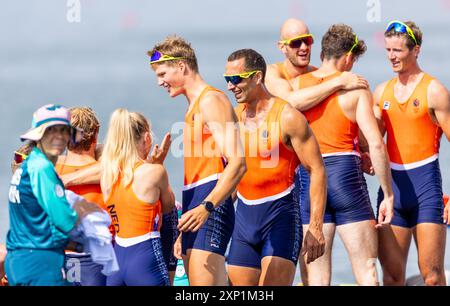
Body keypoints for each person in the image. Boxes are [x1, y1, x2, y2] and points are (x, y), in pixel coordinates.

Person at [296, 24, 394, 286]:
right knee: (367, 272)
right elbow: (375, 144)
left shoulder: (297, 87)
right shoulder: (356, 89)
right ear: (348, 58)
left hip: (309, 182)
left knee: (316, 278)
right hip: (346, 178)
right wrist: (388, 193)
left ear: (323, 53)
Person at [148, 35, 247, 285]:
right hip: (197, 207)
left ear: (181, 67)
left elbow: (238, 164)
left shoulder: (211, 100)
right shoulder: (193, 107)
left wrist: (208, 208)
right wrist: (185, 227)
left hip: (208, 207)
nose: (159, 82)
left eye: (162, 74)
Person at [224, 49, 326, 286]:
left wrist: (316, 227)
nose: (230, 86)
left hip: (280, 219)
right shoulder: (234, 118)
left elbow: (317, 169)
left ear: (257, 77)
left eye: (236, 79)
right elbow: (231, 176)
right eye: (227, 80)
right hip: (243, 223)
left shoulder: (288, 117)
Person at [373, 20, 450, 286]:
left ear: (415, 50)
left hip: (426, 191)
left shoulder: (434, 91)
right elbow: (371, 142)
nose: (391, 56)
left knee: (432, 277)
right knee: (392, 277)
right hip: (392, 192)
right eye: (388, 50)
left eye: (398, 51)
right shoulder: (381, 92)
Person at [5, 104, 98, 286]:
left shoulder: (24, 167)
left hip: (18, 258)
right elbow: (64, 220)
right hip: (40, 261)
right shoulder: (42, 168)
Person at [100, 109, 175, 286]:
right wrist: (158, 163)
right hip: (145, 257)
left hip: (117, 260)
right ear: (147, 138)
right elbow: (169, 207)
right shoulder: (155, 172)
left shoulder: (107, 175)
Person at [54, 106, 110, 286]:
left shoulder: (51, 170)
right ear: (96, 133)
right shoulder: (110, 171)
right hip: (97, 260)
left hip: (59, 258)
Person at [265, 18, 369, 113]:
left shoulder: (316, 74)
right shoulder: (272, 72)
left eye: (307, 40)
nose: (304, 47)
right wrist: (340, 81)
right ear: (282, 47)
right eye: (296, 43)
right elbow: (289, 102)